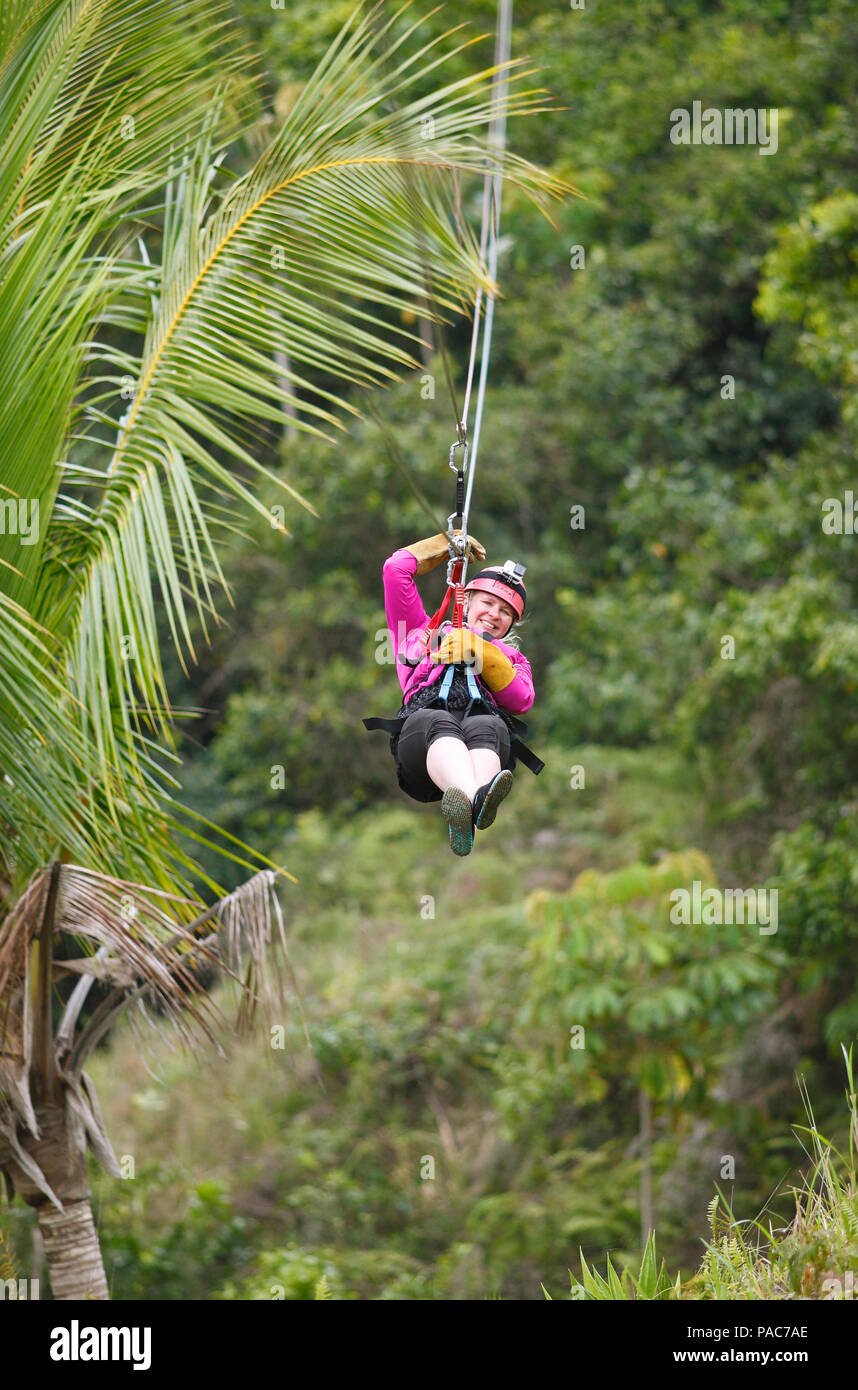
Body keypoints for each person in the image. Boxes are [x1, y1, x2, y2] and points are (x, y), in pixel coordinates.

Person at [367, 531, 537, 856]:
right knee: (437, 720)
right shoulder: (419, 633)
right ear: (468, 600)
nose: (493, 614)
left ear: (512, 624)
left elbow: (521, 700)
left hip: (481, 741)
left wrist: (485, 655)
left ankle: (472, 804)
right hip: (421, 742)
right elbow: (395, 571)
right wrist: (442, 546)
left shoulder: (512, 659)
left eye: (505, 612)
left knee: (489, 725)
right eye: (488, 602)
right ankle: (475, 797)